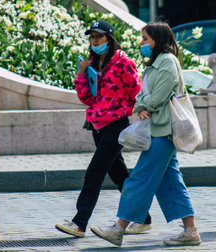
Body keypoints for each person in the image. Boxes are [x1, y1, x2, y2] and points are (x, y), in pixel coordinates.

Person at [89, 22, 202, 247]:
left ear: (157, 40)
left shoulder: (167, 62)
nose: (141, 43)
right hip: (159, 129)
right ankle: (191, 231)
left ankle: (118, 228)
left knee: (138, 179)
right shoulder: (156, 64)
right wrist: (142, 105)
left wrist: (142, 106)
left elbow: (158, 96)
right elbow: (142, 95)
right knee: (171, 182)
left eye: (145, 39)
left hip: (164, 130)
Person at [55, 20, 152, 237]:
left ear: (109, 39)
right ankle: (143, 218)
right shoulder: (93, 65)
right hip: (97, 126)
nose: (95, 41)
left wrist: (134, 110)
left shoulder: (123, 63)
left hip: (115, 126)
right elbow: (88, 99)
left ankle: (79, 223)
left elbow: (136, 92)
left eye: (99, 37)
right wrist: (81, 75)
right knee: (119, 176)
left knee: (94, 173)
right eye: (92, 37)